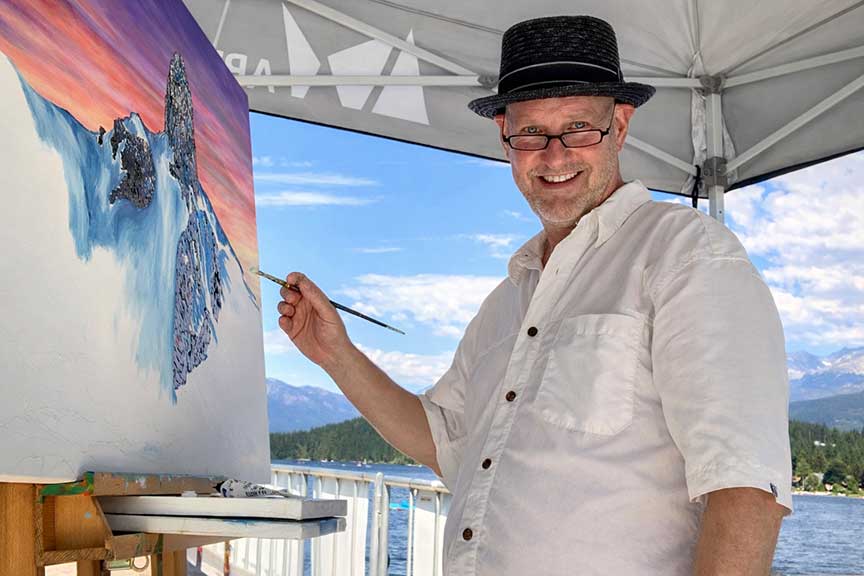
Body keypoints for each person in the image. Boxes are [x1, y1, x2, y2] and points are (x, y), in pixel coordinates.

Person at [276, 15, 792, 575]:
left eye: (578, 128)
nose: (553, 156)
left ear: (620, 126)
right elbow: (445, 441)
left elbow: (745, 486)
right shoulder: (507, 299)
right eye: (530, 134)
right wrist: (335, 355)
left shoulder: (687, 255)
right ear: (504, 135)